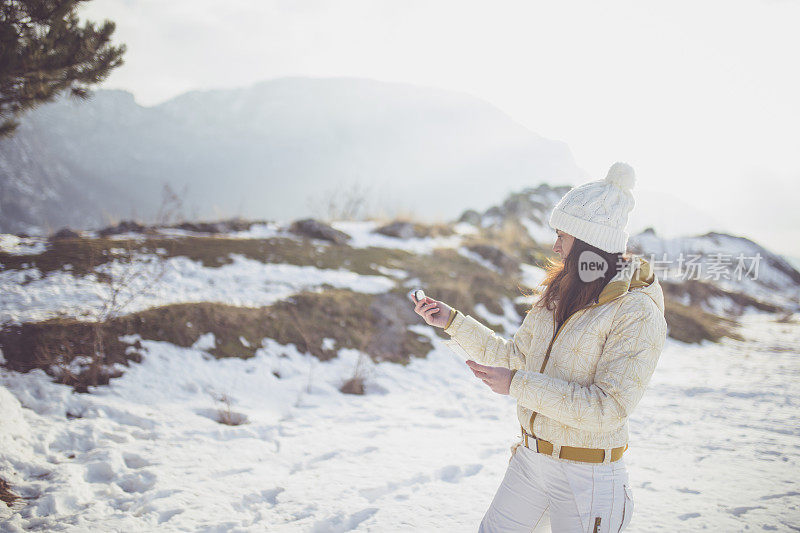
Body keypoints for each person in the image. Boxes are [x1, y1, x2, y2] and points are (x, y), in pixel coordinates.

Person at [412, 162, 668, 532]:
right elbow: (516, 358)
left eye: (562, 237)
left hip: (589, 478)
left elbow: (608, 407)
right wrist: (452, 322)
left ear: (588, 243)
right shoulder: (560, 293)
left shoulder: (636, 311)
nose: (555, 247)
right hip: (531, 463)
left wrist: (516, 384)